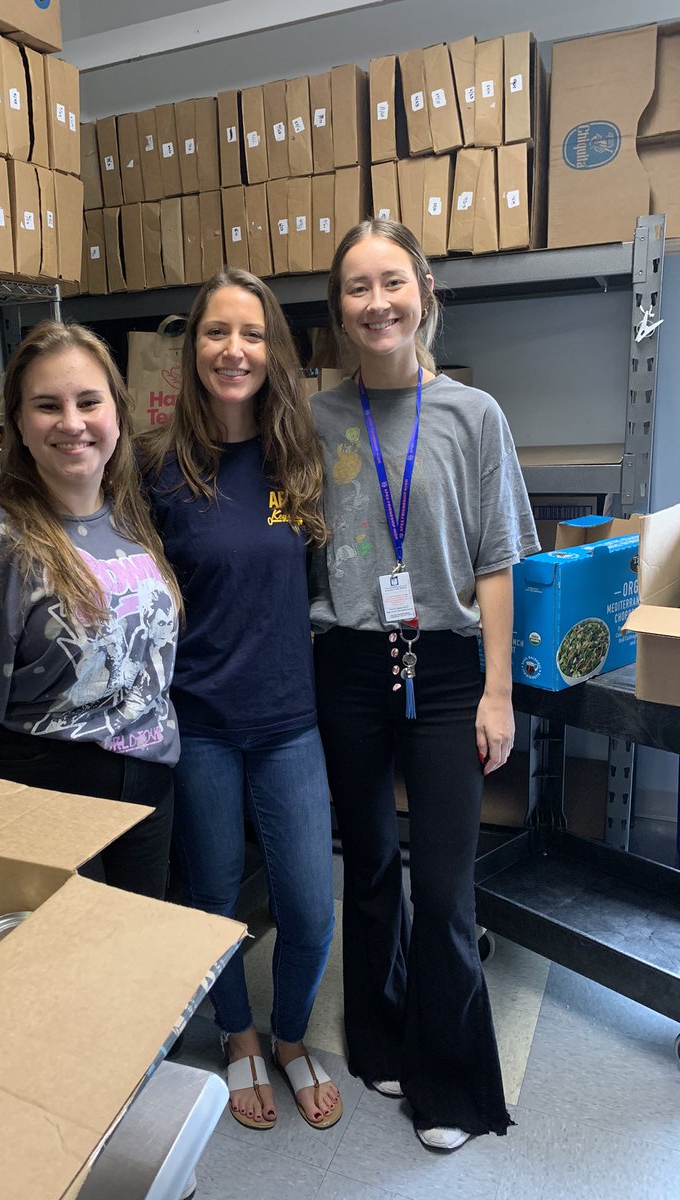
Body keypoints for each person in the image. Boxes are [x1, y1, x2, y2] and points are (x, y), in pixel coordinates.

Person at [310, 218, 540, 1151]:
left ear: (424, 292)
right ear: (340, 310)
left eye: (392, 282)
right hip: (350, 665)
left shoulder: (474, 417)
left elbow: (496, 562)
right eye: (358, 288)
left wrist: (497, 692)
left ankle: (449, 1086)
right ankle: (378, 1037)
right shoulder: (316, 421)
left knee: (443, 888)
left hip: (444, 670)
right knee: (365, 867)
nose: (377, 303)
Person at [138, 267, 342, 1131]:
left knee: (307, 902)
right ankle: (237, 1033)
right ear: (194, 352)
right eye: (217, 334)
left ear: (274, 350)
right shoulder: (158, 472)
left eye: (252, 335)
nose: (234, 350)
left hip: (291, 721)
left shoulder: (301, 459)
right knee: (212, 898)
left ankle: (290, 1032)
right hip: (204, 725)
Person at [0, 321, 182, 900]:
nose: (72, 423)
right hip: (45, 796)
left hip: (150, 784)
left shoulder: (130, 515)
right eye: (47, 405)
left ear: (117, 415)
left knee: (131, 959)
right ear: (20, 427)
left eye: (88, 402)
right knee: (70, 971)